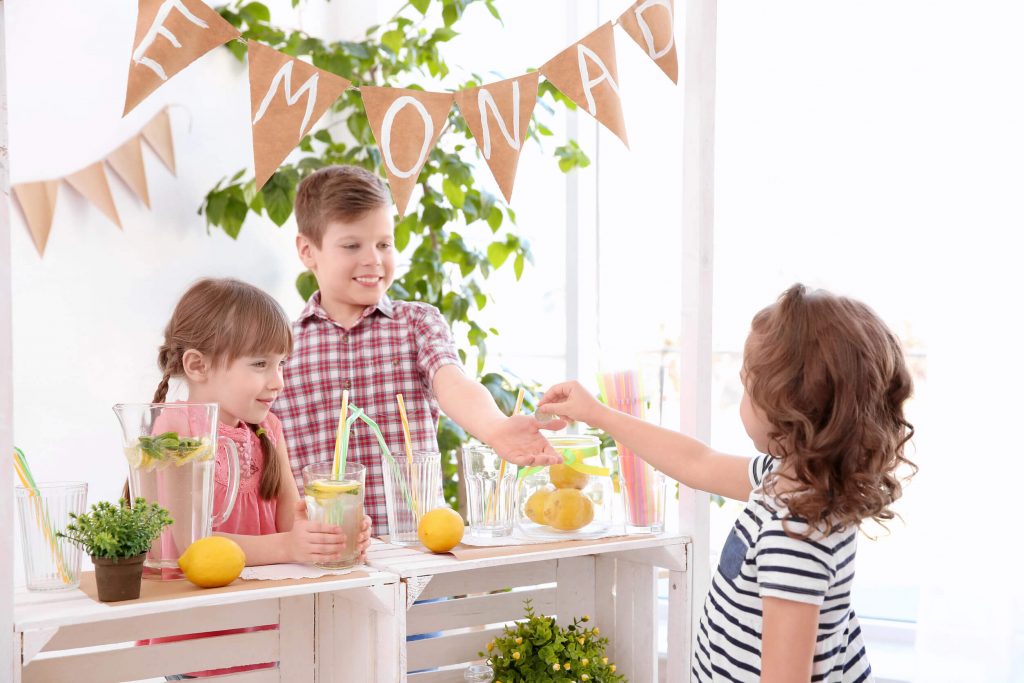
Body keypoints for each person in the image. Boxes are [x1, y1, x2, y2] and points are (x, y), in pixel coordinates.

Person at [538, 284, 916, 682]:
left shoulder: (794, 537)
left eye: (747, 387)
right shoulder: (790, 480)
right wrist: (598, 414)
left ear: (785, 408)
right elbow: (698, 462)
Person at [275, 165, 566, 535]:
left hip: (419, 548)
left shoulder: (417, 323)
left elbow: (454, 385)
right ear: (307, 250)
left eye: (384, 243)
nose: (373, 259)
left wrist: (494, 428)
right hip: (324, 557)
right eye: (352, 245)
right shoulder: (280, 346)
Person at [147, 278, 371, 679]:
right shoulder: (176, 431)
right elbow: (192, 545)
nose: (278, 381)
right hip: (202, 641)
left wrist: (329, 535)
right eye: (259, 364)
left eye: (280, 363)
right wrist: (289, 545)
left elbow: (290, 524)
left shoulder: (268, 429)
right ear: (197, 365)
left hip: (268, 633)